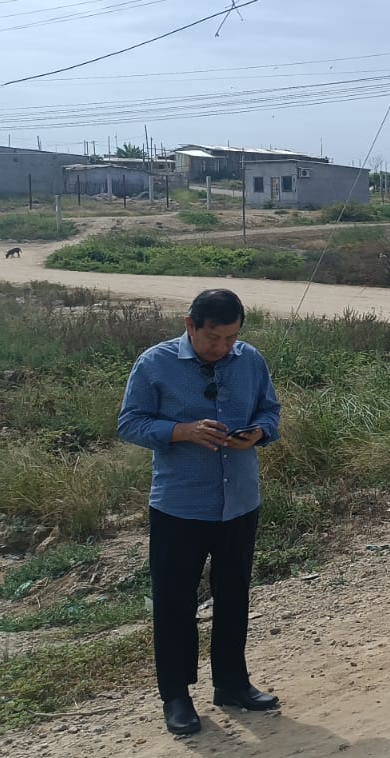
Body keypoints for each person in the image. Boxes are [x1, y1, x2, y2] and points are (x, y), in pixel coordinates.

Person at [117, 289, 283, 736]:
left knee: (233, 596)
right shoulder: (155, 363)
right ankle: (176, 697)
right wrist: (181, 431)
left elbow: (270, 410)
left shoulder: (250, 360)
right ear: (190, 325)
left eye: (231, 338)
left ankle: (232, 684)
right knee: (174, 603)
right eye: (214, 337)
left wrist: (259, 433)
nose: (223, 347)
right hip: (180, 506)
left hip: (240, 503)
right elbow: (130, 423)